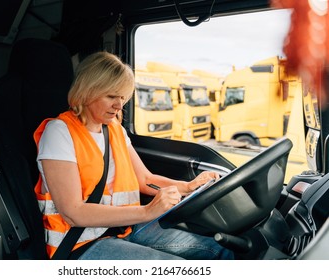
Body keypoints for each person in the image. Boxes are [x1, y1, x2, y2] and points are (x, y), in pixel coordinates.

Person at [33, 51, 234, 260]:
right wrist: (147, 212)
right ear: (87, 91)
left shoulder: (114, 129)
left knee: (218, 250)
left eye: (122, 97)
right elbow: (72, 212)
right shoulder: (59, 132)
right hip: (80, 243)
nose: (119, 105)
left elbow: (145, 180)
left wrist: (187, 186)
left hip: (124, 228)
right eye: (111, 96)